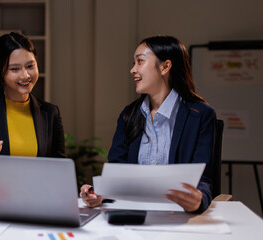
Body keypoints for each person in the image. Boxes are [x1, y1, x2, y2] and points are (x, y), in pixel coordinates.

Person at [80, 35, 216, 213]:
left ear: (165, 66)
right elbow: (116, 173)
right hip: (134, 215)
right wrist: (100, 193)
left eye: (140, 62)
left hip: (179, 217)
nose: (132, 70)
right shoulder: (129, 115)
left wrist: (199, 200)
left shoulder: (200, 115)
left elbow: (204, 180)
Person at [0, 32, 65, 195]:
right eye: (15, 69)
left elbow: (60, 173)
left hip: (36, 203)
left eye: (30, 66)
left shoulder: (50, 113)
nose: (25, 75)